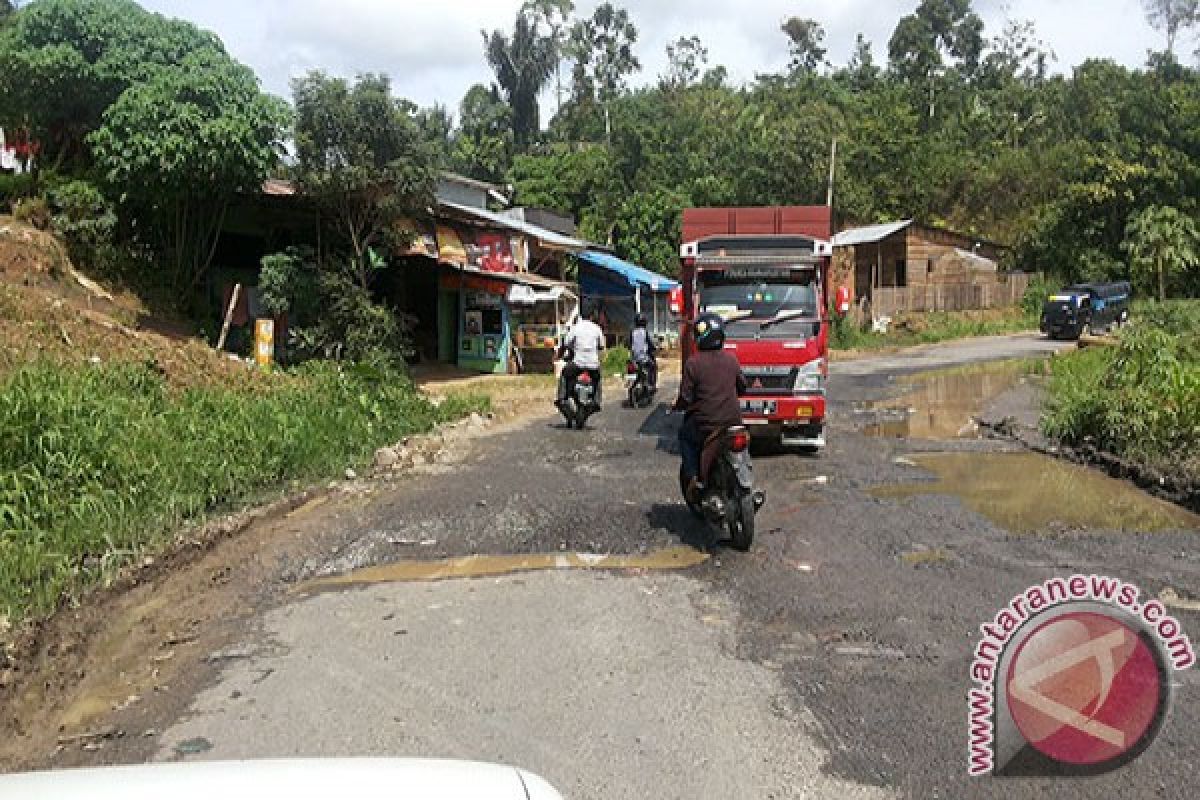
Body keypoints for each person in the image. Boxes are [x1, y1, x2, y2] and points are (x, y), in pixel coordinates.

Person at [673, 313, 746, 501]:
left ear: (698, 337)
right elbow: (742, 388)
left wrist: (677, 406)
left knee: (685, 436)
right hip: (733, 423)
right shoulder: (732, 360)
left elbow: (686, 397)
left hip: (706, 426)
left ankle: (693, 478)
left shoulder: (693, 363)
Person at [557, 305, 607, 410]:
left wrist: (558, 356)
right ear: (592, 316)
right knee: (597, 379)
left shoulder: (575, 328)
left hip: (577, 363)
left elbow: (565, 343)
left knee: (564, 374)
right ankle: (597, 401)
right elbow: (601, 347)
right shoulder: (597, 328)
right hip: (593, 365)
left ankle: (561, 398)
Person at [629, 313, 658, 391]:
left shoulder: (632, 332)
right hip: (643, 358)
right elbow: (650, 344)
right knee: (653, 366)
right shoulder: (644, 332)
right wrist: (655, 348)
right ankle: (652, 384)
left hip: (634, 359)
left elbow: (630, 344)